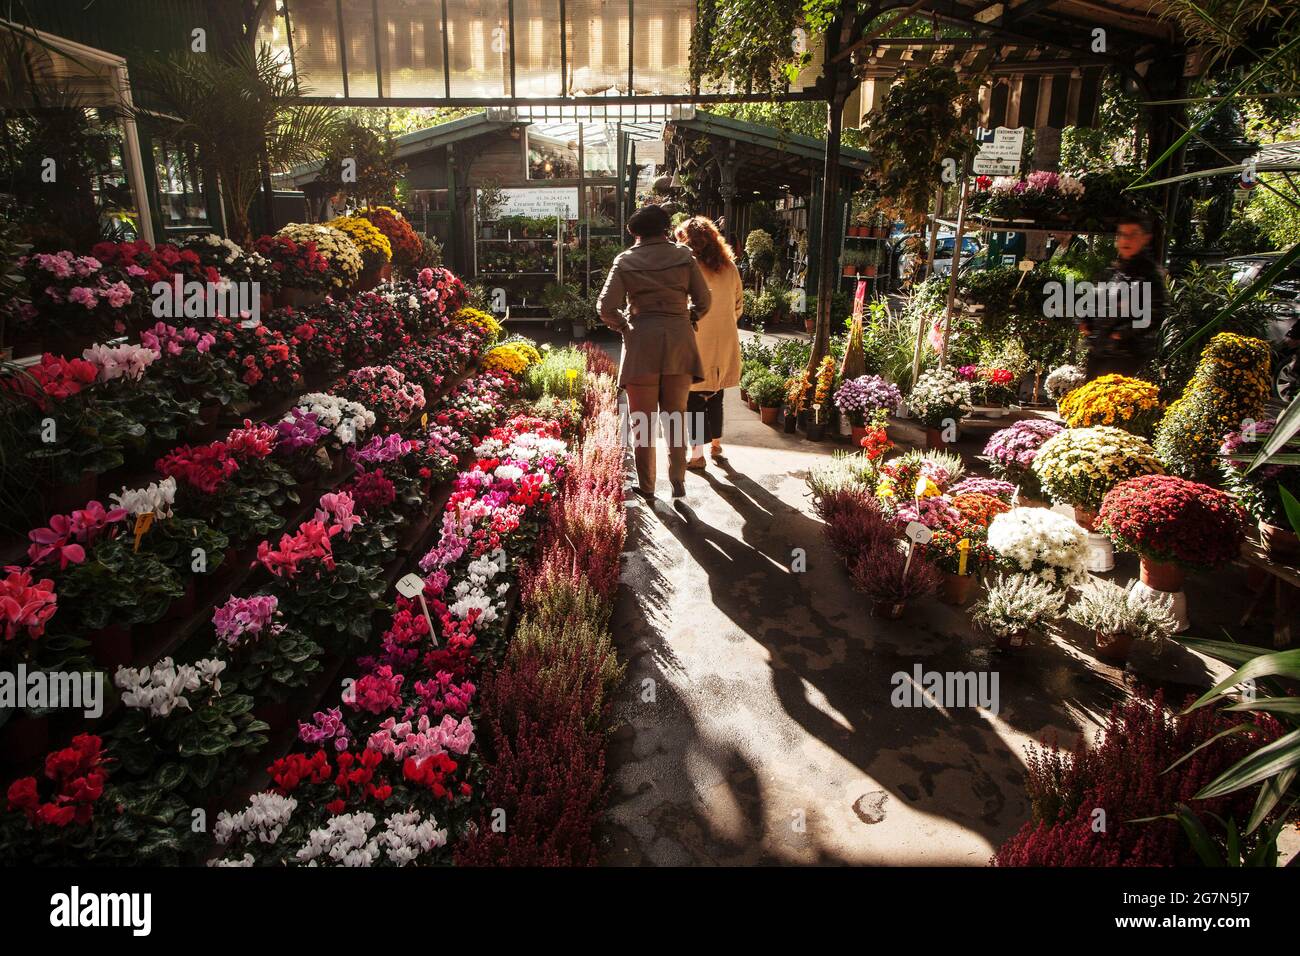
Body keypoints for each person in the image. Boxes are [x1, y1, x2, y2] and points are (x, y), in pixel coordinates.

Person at [597, 204, 711, 499]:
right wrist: (689, 318)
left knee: (642, 423)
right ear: (665, 228)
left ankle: (647, 486)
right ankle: (678, 480)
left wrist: (625, 326)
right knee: (676, 417)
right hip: (679, 342)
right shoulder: (684, 257)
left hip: (640, 344)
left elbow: (605, 306)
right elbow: (704, 299)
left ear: (635, 232)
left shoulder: (624, 261)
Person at [673, 215, 743, 469]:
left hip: (695, 339)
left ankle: (697, 456)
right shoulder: (730, 268)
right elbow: (738, 306)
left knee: (693, 399)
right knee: (716, 394)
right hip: (725, 340)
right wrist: (724, 322)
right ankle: (716, 445)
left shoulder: (685, 269)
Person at [1082, 214, 1168, 379]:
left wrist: (1122, 333)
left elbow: (1154, 314)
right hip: (1101, 350)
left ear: (1145, 238)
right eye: (1122, 234)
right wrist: (1086, 321)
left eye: (1132, 234)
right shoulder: (1115, 271)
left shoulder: (1149, 274)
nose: (1126, 240)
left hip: (1126, 356)